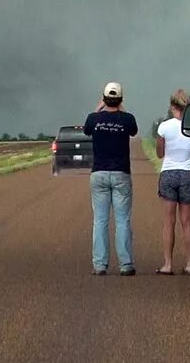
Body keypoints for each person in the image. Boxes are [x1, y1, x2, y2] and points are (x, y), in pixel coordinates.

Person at [83, 81, 139, 276]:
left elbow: (87, 128)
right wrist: (119, 107)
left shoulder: (93, 119)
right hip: (121, 173)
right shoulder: (127, 119)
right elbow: (133, 130)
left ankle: (99, 265)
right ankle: (125, 265)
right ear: (121, 99)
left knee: (100, 220)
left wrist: (99, 107)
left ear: (104, 98)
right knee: (122, 220)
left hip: (99, 173)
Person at [153, 88, 190, 276]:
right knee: (187, 221)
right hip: (187, 173)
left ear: (172, 106)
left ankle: (168, 264)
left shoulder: (164, 127)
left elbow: (160, 153)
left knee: (169, 221)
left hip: (169, 172)